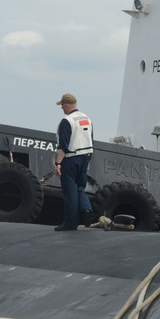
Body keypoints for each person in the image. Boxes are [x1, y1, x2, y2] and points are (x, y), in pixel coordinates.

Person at [54, 93, 94, 231]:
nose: (62, 109)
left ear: (66, 105)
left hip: (71, 159)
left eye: (62, 106)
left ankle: (70, 223)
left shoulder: (67, 121)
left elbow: (63, 145)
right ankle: (87, 209)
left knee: (70, 190)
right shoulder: (87, 119)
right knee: (80, 188)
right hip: (86, 156)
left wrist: (58, 163)